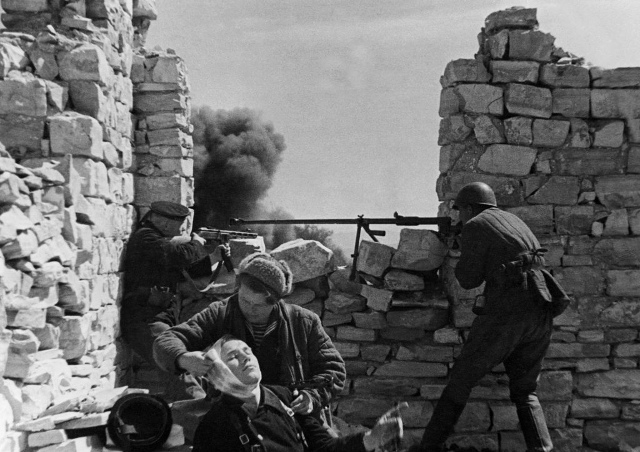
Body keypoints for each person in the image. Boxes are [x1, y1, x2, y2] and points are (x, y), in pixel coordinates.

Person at [414, 182, 555, 452]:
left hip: (507, 313)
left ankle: (429, 448)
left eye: (460, 211)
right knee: (525, 391)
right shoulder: (514, 221)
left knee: (461, 380)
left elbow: (468, 279)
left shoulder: (476, 225)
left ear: (470, 208)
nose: (459, 217)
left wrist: (459, 250)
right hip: (541, 309)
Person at [153, 252, 346, 418]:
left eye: (260, 305)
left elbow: (333, 369)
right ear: (238, 289)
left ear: (277, 301)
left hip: (289, 415)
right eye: (245, 300)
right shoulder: (220, 313)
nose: (251, 309)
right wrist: (182, 358)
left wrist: (312, 396)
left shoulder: (304, 321)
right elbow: (166, 341)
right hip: (233, 415)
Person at [193, 335, 405, 452]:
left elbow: (324, 447)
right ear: (219, 371)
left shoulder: (285, 398)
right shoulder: (214, 426)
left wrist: (371, 439)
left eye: (247, 351)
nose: (246, 357)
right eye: (233, 356)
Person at [120, 201, 208, 379]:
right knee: (181, 367)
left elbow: (185, 272)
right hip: (145, 319)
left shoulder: (158, 243)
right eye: (180, 225)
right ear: (166, 224)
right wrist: (197, 244)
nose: (181, 230)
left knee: (184, 367)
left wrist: (214, 256)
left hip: (159, 316)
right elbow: (180, 256)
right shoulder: (146, 238)